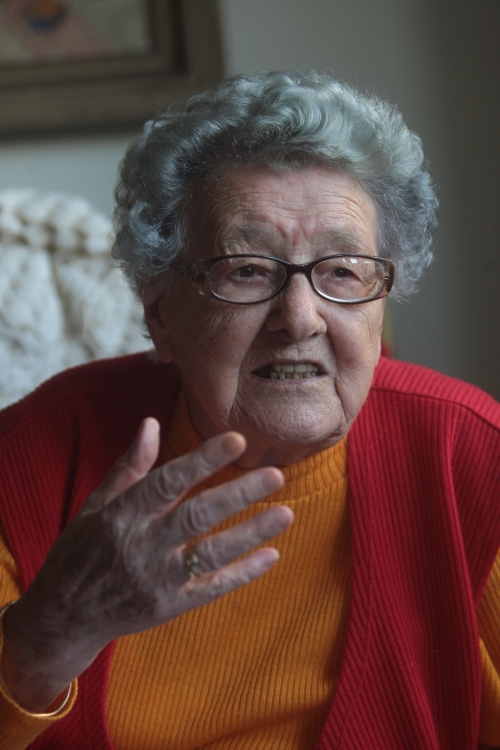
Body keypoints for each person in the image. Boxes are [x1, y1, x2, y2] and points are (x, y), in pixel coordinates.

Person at [0, 71, 499, 750]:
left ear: (383, 298)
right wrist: (47, 639)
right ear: (160, 314)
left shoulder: (469, 455)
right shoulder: (33, 455)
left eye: (342, 271)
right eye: (247, 270)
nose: (300, 318)